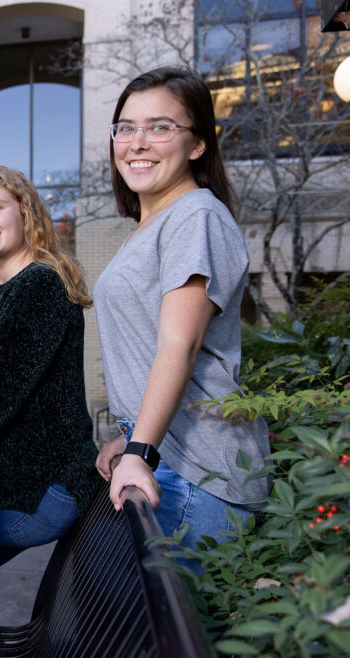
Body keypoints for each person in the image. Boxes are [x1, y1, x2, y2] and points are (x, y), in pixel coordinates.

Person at [93, 66, 270, 549]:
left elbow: (179, 344)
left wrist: (141, 450)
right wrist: (132, 438)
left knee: (171, 626)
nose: (138, 142)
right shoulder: (156, 224)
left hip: (197, 471)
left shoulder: (196, 215)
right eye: (126, 127)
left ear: (197, 145)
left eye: (160, 127)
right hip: (166, 459)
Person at [0, 166, 102, 625]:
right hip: (24, 488)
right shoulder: (12, 291)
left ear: (25, 212)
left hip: (38, 497)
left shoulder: (38, 287)